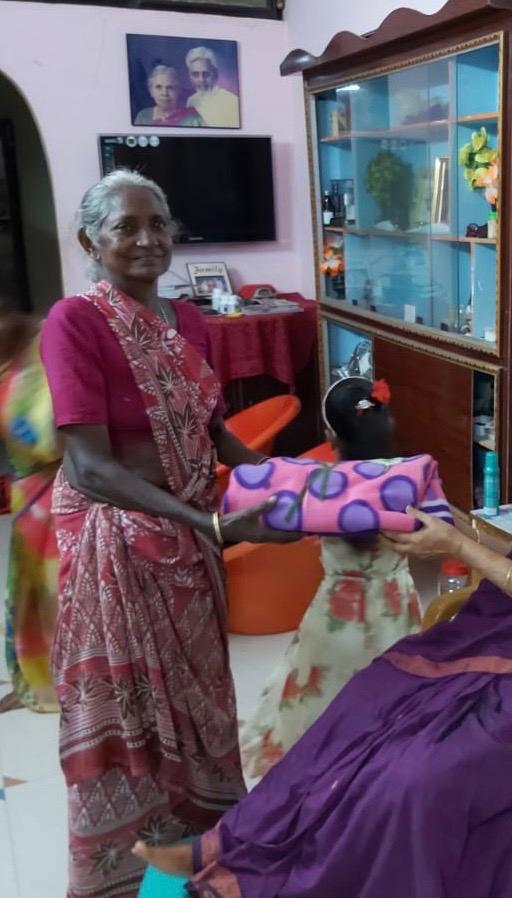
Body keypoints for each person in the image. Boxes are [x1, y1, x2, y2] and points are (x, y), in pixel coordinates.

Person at [135, 373, 512, 898]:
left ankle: (319, 880)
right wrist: (453, 530)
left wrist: (456, 547)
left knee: (415, 773)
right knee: (370, 700)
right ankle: (228, 842)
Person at [40, 168, 296, 898]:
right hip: (114, 543)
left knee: (201, 696)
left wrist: (291, 483)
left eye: (158, 223)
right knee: (131, 716)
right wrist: (212, 522)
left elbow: (215, 432)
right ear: (92, 240)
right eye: (126, 227)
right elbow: (88, 468)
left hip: (186, 542)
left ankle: (200, 845)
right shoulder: (76, 321)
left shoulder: (187, 320)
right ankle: (121, 870)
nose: (148, 239)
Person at [238, 377, 435, 778]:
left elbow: (283, 525)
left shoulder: (320, 486)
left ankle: (320, 775)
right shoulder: (411, 478)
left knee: (319, 703)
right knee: (389, 695)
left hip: (338, 620)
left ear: (331, 436)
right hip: (395, 611)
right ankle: (378, 770)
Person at [0, 302, 60, 713]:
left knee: (62, 591)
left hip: (67, 488)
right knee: (29, 592)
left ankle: (68, 688)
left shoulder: (47, 344)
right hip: (28, 493)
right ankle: (35, 683)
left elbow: (48, 437)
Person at [185, 46, 240, 128]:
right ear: (189, 76)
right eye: (195, 74)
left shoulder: (232, 101)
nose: (201, 79)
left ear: (215, 74)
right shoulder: (191, 102)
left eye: (206, 74)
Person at [134, 64, 204, 127]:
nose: (164, 93)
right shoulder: (143, 116)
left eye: (170, 87)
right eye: (158, 87)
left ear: (178, 91)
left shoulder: (193, 118)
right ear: (151, 91)